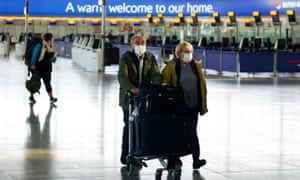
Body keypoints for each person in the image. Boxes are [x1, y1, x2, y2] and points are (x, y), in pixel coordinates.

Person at [161, 41, 208, 169]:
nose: (188, 54)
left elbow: (202, 86)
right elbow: (163, 82)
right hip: (178, 106)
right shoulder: (171, 66)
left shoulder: (196, 66)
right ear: (179, 53)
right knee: (176, 133)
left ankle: (196, 160)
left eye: (190, 52)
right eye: (186, 52)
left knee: (192, 132)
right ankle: (174, 158)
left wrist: (203, 105)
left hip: (194, 105)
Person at [118, 34, 161, 165]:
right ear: (132, 45)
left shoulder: (150, 57)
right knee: (129, 125)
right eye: (137, 42)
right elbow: (122, 77)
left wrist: (156, 87)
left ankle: (138, 153)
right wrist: (132, 88)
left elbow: (155, 74)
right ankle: (126, 154)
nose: (140, 45)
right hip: (129, 98)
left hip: (145, 98)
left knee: (142, 125)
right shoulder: (126, 57)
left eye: (142, 42)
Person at [29, 33, 58, 104]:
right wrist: (32, 64)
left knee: (48, 83)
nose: (52, 40)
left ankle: (51, 98)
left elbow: (54, 58)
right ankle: (31, 96)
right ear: (49, 39)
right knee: (35, 83)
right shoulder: (40, 45)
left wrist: (53, 59)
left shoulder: (51, 47)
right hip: (38, 68)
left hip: (47, 68)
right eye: (51, 39)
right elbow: (35, 54)